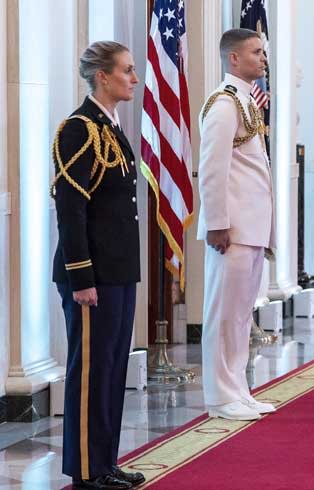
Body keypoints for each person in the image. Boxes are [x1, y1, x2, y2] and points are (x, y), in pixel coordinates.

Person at [52, 41, 145, 489]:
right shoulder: (79, 129)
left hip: (119, 271)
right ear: (103, 77)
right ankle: (87, 472)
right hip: (94, 276)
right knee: (89, 373)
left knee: (111, 370)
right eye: (127, 70)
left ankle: (106, 463)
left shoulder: (110, 127)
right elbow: (71, 210)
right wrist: (81, 277)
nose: (134, 78)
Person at [197, 28, 276, 421]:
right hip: (231, 229)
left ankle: (238, 390)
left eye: (263, 52)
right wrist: (216, 223)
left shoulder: (245, 101)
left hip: (250, 228)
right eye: (256, 52)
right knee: (224, 314)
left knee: (242, 316)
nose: (263, 58)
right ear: (233, 58)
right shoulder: (224, 104)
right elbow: (213, 168)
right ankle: (219, 395)